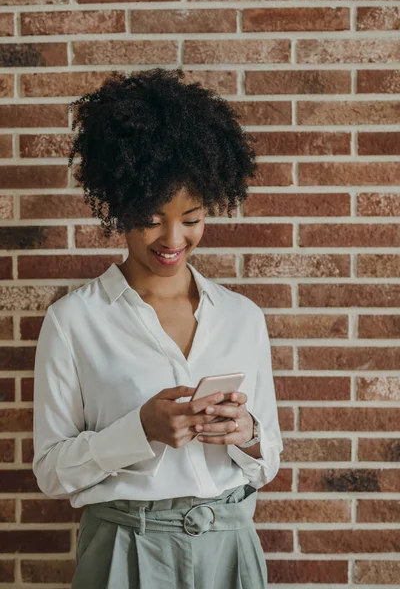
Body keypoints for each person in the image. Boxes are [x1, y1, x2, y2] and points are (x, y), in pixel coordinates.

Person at [32, 67, 283, 589]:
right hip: (126, 548)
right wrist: (139, 431)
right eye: (151, 218)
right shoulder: (74, 321)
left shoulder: (242, 317)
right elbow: (51, 472)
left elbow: (269, 460)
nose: (173, 238)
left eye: (191, 218)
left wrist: (249, 436)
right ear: (120, 209)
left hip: (230, 546)